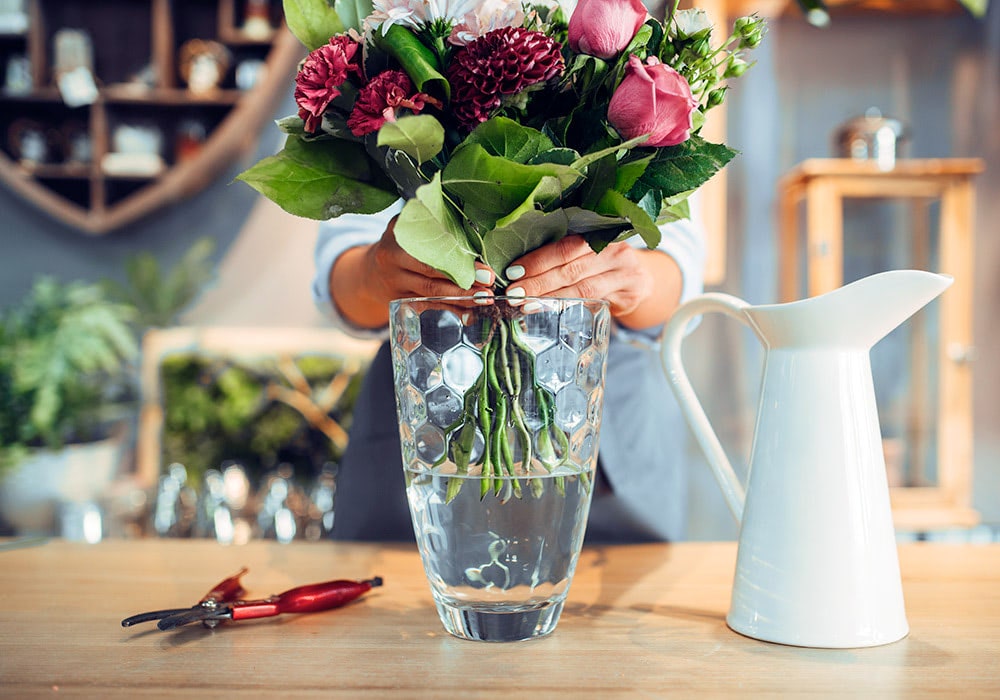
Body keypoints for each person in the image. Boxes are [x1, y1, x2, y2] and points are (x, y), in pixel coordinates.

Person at [312, 198, 705, 542]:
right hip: (428, 429)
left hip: (601, 439)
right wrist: (376, 274)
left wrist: (632, 278)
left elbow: (678, 262)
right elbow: (344, 267)